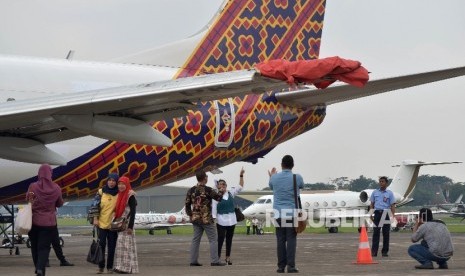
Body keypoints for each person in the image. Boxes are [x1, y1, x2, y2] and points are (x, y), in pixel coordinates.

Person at [26, 164, 64, 276]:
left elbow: (28, 199)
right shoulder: (56, 188)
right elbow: (60, 203)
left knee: (35, 246)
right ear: (50, 174)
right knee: (44, 248)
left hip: (34, 221)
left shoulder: (32, 186)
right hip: (49, 223)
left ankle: (38, 267)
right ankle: (40, 269)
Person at [268, 155, 304, 273]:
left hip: (278, 213)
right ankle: (291, 266)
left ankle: (280, 267)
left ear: (281, 165)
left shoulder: (274, 178)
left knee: (280, 240)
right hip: (291, 213)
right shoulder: (297, 177)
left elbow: (271, 185)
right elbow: (301, 186)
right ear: (292, 165)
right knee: (291, 239)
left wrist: (271, 176)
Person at [185, 170, 226, 266]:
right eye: (206, 176)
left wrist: (190, 214)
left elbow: (187, 204)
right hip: (206, 219)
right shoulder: (208, 190)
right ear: (204, 178)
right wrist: (221, 191)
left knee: (196, 240)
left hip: (195, 219)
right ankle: (215, 261)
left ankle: (193, 261)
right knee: (213, 239)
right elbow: (218, 198)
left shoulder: (191, 190)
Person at [212, 168, 245, 265]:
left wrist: (241, 175)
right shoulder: (216, 196)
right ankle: (217, 258)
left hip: (231, 220)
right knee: (220, 239)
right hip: (221, 220)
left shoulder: (231, 192)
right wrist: (213, 218)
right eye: (220, 184)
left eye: (223, 184)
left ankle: (227, 257)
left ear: (226, 186)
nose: (222, 186)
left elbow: (240, 186)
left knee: (229, 239)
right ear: (217, 186)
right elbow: (214, 207)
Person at [92, 173, 119, 274]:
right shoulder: (100, 192)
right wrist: (95, 218)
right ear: (107, 181)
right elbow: (94, 206)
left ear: (116, 182)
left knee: (112, 247)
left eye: (113, 181)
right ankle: (101, 267)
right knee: (101, 246)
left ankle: (109, 267)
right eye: (110, 180)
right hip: (101, 224)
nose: (111, 183)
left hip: (113, 225)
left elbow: (126, 198)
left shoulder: (119, 193)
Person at [113, 176, 139, 274]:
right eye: (119, 184)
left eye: (123, 184)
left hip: (127, 225)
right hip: (121, 224)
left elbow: (133, 212)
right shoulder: (120, 195)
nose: (121, 186)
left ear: (127, 184)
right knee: (121, 247)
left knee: (127, 247)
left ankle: (126, 268)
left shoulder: (130, 195)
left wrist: (130, 227)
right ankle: (120, 266)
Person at [370, 176, 396, 257]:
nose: (381, 183)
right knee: (376, 233)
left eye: (383, 181)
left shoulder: (390, 193)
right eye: (380, 181)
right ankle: (374, 251)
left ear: (386, 183)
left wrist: (392, 216)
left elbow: (392, 205)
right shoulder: (375, 192)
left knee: (386, 233)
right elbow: (372, 204)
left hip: (386, 213)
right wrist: (371, 214)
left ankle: (385, 251)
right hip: (377, 213)